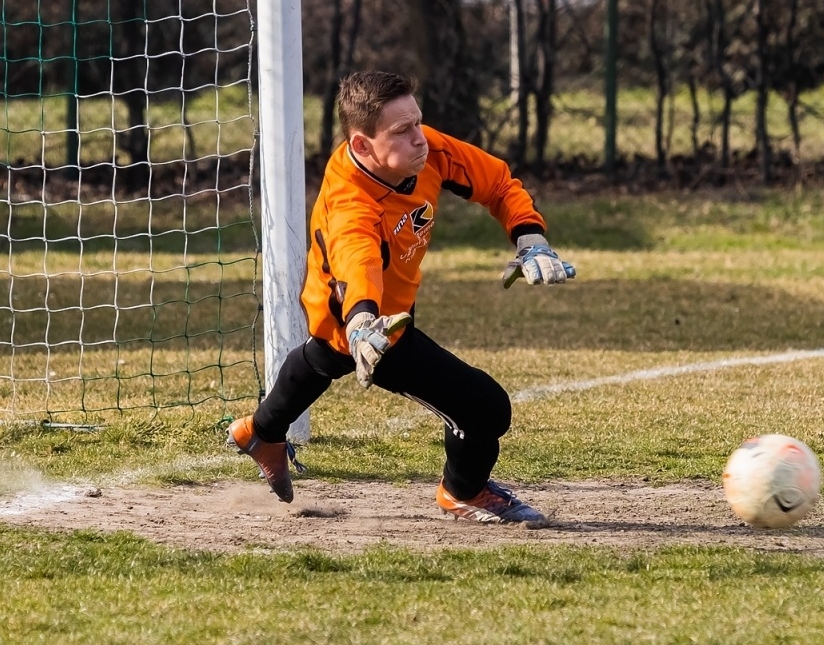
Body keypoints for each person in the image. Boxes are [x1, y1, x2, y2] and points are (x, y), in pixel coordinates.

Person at [228, 70, 572, 526]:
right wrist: (364, 323)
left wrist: (530, 237)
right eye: (402, 130)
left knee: (326, 359)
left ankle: (260, 432)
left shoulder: (424, 150)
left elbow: (498, 183)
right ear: (363, 145)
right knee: (485, 408)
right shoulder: (351, 202)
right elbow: (357, 263)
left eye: (418, 122)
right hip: (362, 313)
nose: (420, 139)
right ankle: (464, 491)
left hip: (381, 304)